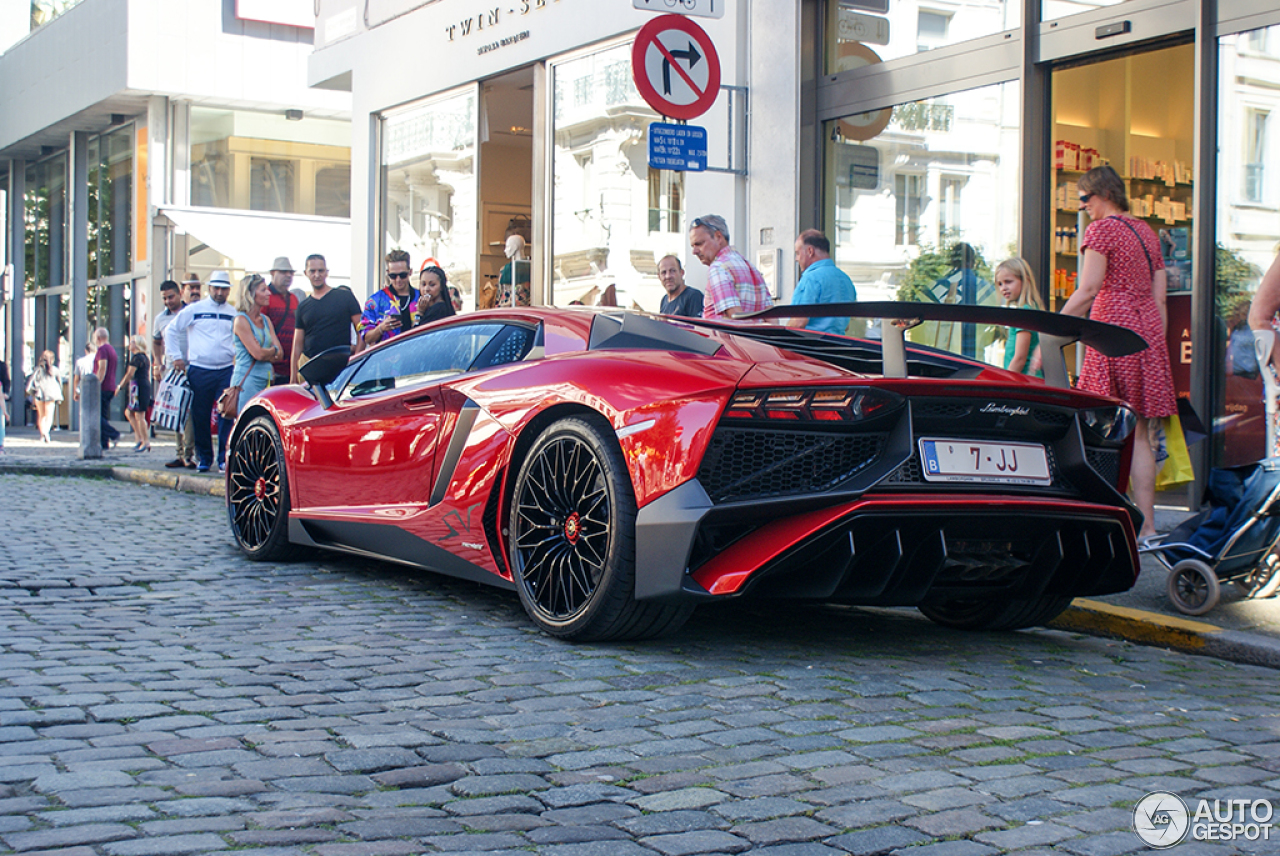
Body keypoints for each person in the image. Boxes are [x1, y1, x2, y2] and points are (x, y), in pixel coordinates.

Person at [1061, 164, 1176, 542]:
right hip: (1145, 334)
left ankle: (1103, 519)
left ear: (1104, 194)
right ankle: (1149, 527)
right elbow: (1159, 299)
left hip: (1111, 330)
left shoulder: (1103, 229)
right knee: (1140, 432)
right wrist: (1153, 344)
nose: (1083, 208)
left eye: (1084, 198)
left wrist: (1055, 328)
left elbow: (1090, 288)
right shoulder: (1147, 232)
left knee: (1103, 428)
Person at [168, 270, 237, 473]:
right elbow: (171, 330)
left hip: (225, 369)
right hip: (200, 369)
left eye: (223, 288)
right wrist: (176, 356)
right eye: (216, 288)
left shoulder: (232, 313)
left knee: (227, 414)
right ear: (209, 288)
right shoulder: (195, 309)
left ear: (228, 290)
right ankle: (204, 458)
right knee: (200, 415)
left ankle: (224, 458)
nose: (219, 292)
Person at [291, 254, 364, 385]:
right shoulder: (302, 306)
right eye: (312, 271)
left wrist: (356, 360)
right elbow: (297, 344)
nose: (317, 275)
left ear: (327, 272)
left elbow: (362, 330)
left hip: (340, 368)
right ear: (306, 273)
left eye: (321, 270)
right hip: (311, 369)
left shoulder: (345, 297)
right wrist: (293, 376)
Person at [689, 214, 773, 320]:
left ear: (718, 237)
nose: (694, 251)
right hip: (756, 336)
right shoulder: (750, 267)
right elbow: (772, 319)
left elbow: (735, 319)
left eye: (699, 244)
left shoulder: (718, 268)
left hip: (723, 336)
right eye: (693, 246)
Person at [163, 277, 204, 469]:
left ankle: (189, 454)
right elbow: (157, 340)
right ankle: (180, 453)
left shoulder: (192, 312)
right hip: (173, 370)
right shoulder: (160, 318)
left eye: (171, 296)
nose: (168, 301)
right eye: (165, 298)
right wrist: (157, 362)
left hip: (192, 366)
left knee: (189, 413)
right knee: (175, 411)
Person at [231, 274, 283, 415]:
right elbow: (258, 354)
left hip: (266, 379)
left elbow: (280, 354)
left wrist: (269, 351)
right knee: (248, 422)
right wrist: (272, 350)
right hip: (247, 380)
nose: (268, 293)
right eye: (263, 290)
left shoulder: (266, 320)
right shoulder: (241, 320)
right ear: (250, 294)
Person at [788, 229, 856, 334]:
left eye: (798, 253)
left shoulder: (810, 279)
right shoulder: (846, 280)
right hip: (838, 345)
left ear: (810, 251)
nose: (797, 258)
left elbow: (799, 322)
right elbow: (846, 325)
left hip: (810, 346)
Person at [994, 257, 1045, 378]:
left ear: (1025, 281)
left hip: (1023, 380)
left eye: (1008, 282)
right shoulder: (1031, 308)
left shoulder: (1024, 312)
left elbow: (1020, 358)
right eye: (1000, 284)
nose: (1003, 288)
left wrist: (1005, 382)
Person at [360, 249, 420, 346]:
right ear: (388, 273)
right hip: (386, 358)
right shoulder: (375, 301)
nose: (398, 280)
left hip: (417, 355)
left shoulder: (420, 298)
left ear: (410, 272)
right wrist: (381, 328)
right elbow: (366, 337)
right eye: (393, 276)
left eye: (403, 275)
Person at [263, 257, 305, 386]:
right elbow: (260, 330)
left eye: (290, 273)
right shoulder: (265, 296)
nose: (288, 276)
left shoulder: (293, 298)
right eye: (283, 272)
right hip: (271, 367)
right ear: (273, 273)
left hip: (290, 367)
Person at [119, 335, 152, 452]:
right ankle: (139, 438)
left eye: (131, 342)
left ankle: (145, 440)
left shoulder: (138, 358)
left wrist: (120, 386)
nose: (129, 344)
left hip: (140, 387)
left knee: (139, 415)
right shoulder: (142, 357)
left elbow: (129, 374)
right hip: (138, 386)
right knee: (129, 412)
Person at [92, 327, 121, 451]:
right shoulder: (111, 349)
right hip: (110, 386)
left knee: (96, 416)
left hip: (103, 387)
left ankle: (114, 434)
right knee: (102, 414)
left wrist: (96, 384)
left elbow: (102, 368)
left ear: (98, 338)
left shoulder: (102, 349)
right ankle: (104, 443)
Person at [26, 350, 63, 443]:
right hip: (51, 395)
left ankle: (42, 434)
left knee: (41, 416)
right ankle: (46, 433)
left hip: (39, 394)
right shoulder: (55, 370)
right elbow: (60, 383)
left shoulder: (37, 369)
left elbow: (31, 382)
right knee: (49, 415)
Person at [498, 234, 531, 307]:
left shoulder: (532, 270)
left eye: (508, 247)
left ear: (515, 247)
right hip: (511, 310)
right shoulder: (503, 270)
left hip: (521, 311)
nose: (505, 250)